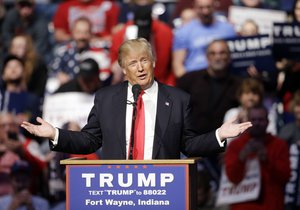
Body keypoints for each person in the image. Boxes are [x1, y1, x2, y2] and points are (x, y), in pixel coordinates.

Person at [21, 38, 252, 160]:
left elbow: (189, 145)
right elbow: (90, 140)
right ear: (123, 68)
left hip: (161, 193)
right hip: (120, 193)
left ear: (153, 62)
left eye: (144, 60)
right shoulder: (106, 98)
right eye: (132, 63)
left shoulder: (178, 99)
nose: (140, 68)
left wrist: (219, 135)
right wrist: (55, 134)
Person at [223, 104, 290, 210]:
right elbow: (231, 178)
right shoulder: (236, 145)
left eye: (261, 119)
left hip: (271, 205)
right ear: (247, 122)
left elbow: (285, 176)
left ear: (268, 122)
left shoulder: (279, 145)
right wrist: (242, 157)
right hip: (242, 206)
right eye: (253, 120)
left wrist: (266, 159)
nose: (257, 123)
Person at [110, 2, 175, 86]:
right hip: (130, 86)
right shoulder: (121, 35)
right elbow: (116, 77)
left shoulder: (165, 33)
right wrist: (125, 48)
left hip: (161, 85)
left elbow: (173, 68)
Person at [172, 0, 236, 78]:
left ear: (215, 6)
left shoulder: (228, 30)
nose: (205, 11)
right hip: (194, 78)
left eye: (208, 7)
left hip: (224, 78)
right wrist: (188, 83)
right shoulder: (183, 32)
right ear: (195, 7)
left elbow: (235, 59)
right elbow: (178, 66)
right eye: (201, 7)